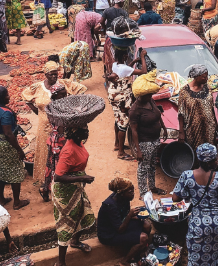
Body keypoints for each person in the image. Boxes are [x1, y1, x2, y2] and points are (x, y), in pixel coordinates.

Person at [21, 61, 85, 201]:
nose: (54, 76)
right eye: (51, 74)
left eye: (56, 74)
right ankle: (47, 184)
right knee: (47, 157)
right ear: (45, 74)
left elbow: (81, 89)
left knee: (58, 159)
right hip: (45, 127)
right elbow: (25, 96)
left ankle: (53, 184)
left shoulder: (63, 85)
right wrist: (38, 111)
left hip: (59, 131)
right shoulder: (38, 87)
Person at [172, 144, 218, 266]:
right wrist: (217, 198)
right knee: (215, 257)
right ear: (209, 162)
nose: (217, 160)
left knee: (196, 257)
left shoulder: (187, 175)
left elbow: (175, 198)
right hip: (217, 223)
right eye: (215, 158)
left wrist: (190, 193)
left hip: (198, 224)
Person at [53, 126, 97, 266]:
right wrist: (82, 178)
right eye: (84, 130)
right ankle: (61, 262)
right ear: (76, 133)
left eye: (87, 129)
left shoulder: (79, 143)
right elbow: (58, 177)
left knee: (82, 213)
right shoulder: (69, 150)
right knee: (66, 225)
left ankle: (75, 241)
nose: (87, 132)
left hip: (77, 188)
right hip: (65, 193)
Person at [0, 86, 29, 210]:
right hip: (6, 145)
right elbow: (8, 134)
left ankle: (1, 199)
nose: (9, 97)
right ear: (0, 97)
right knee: (15, 171)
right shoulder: (5, 113)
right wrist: (19, 150)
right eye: (6, 95)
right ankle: (17, 202)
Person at [97, 177, 152, 265]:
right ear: (122, 193)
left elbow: (124, 215)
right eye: (130, 192)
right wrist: (130, 215)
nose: (133, 194)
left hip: (120, 225)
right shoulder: (110, 205)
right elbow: (120, 229)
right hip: (109, 234)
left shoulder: (124, 198)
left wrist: (136, 216)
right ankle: (124, 261)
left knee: (147, 225)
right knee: (143, 238)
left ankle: (138, 251)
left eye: (133, 191)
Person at [130, 71, 166, 197]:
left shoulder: (150, 101)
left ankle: (152, 187)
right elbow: (134, 130)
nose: (151, 95)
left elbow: (158, 114)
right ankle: (143, 192)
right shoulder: (135, 110)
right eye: (149, 94)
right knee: (143, 168)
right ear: (142, 95)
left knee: (152, 165)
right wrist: (138, 150)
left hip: (155, 139)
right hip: (145, 142)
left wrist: (163, 128)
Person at [106, 47, 146, 161]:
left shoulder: (115, 65)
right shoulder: (124, 68)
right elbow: (143, 72)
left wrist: (133, 62)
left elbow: (125, 69)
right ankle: (121, 152)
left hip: (114, 96)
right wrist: (142, 57)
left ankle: (117, 144)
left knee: (118, 119)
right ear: (124, 56)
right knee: (123, 124)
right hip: (122, 98)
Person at [178, 64, 218, 150]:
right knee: (196, 150)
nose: (207, 79)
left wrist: (215, 125)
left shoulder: (207, 88)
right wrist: (181, 132)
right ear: (196, 77)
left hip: (209, 128)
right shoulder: (184, 92)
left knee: (209, 151)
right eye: (204, 77)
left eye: (207, 76)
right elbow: (181, 113)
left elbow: (211, 108)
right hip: (193, 130)